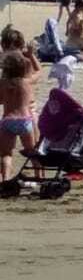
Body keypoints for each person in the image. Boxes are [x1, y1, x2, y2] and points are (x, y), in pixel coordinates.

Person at [0, 50, 38, 183]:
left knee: (6, 154)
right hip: (24, 120)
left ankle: (5, 180)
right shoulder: (26, 82)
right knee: (32, 151)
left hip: (8, 120)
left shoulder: (3, 83)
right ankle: (39, 176)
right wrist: (31, 56)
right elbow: (38, 72)